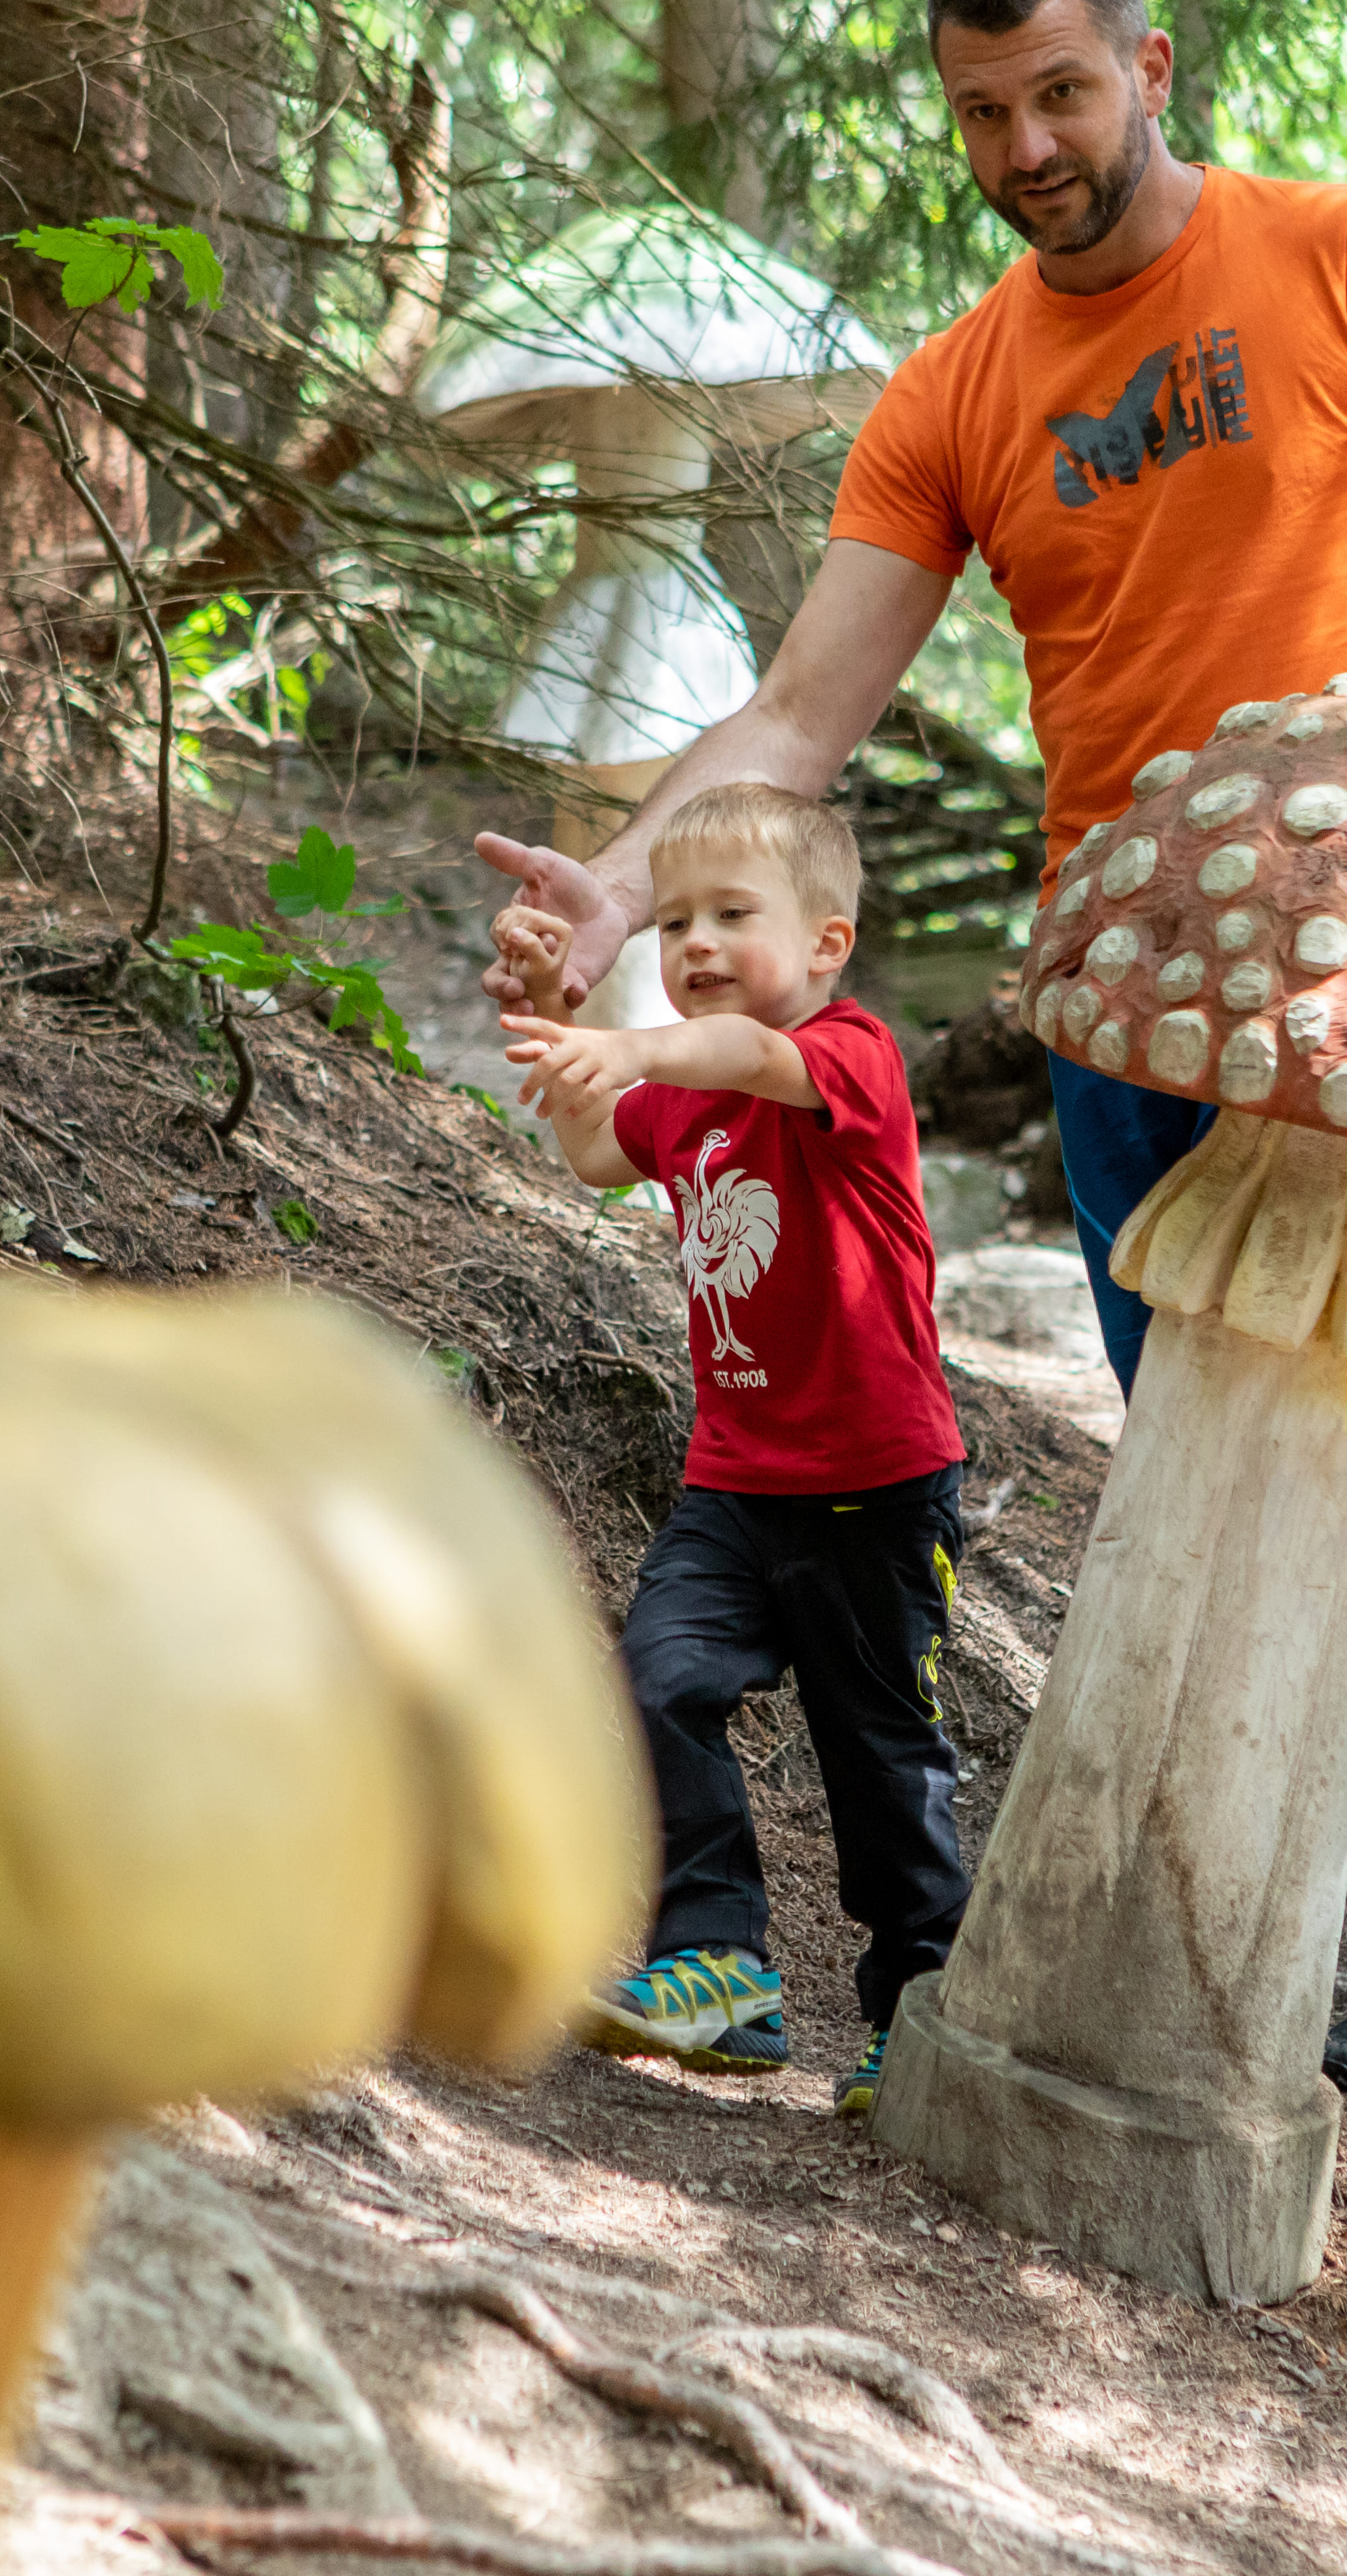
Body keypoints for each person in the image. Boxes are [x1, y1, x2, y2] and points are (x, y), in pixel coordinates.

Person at [483, 0, 1347, 2096]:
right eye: (986, 112)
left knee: (1305, 1426)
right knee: (1197, 1440)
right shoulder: (957, 393)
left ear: (1151, 70)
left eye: (1065, 94)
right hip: (1122, 992)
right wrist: (623, 884)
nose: (1029, 148)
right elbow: (799, 716)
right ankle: (1298, 1909)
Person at [500, 783, 967, 2124]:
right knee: (658, 1678)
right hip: (736, 1482)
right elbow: (597, 1151)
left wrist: (631, 1041)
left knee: (882, 1761)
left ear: (826, 942)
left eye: (731, 915)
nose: (695, 941)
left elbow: (746, 1055)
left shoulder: (846, 1053)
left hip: (877, 1487)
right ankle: (720, 1961)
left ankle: (920, 2003)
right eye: (676, 921)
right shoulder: (682, 1096)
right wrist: (568, 1027)